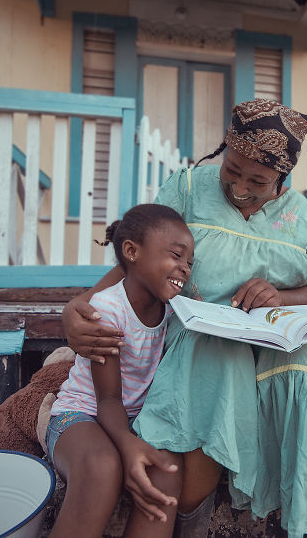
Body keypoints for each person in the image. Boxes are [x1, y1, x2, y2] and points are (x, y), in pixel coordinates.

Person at [62, 99, 307, 538]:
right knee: (218, 366)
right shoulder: (190, 187)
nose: (239, 187)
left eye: (259, 180)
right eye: (232, 170)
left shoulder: (303, 217)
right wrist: (80, 305)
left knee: (305, 391)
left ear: (281, 177)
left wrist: (281, 295)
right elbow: (140, 254)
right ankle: (190, 520)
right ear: (223, 152)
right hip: (201, 334)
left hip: (276, 341)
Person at [46, 203, 194, 538]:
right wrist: (128, 445)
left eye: (189, 262)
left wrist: (134, 441)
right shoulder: (106, 310)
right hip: (82, 415)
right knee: (103, 466)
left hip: (137, 419)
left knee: (166, 468)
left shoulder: (174, 313)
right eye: (175, 255)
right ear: (131, 251)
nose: (184, 268)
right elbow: (108, 399)